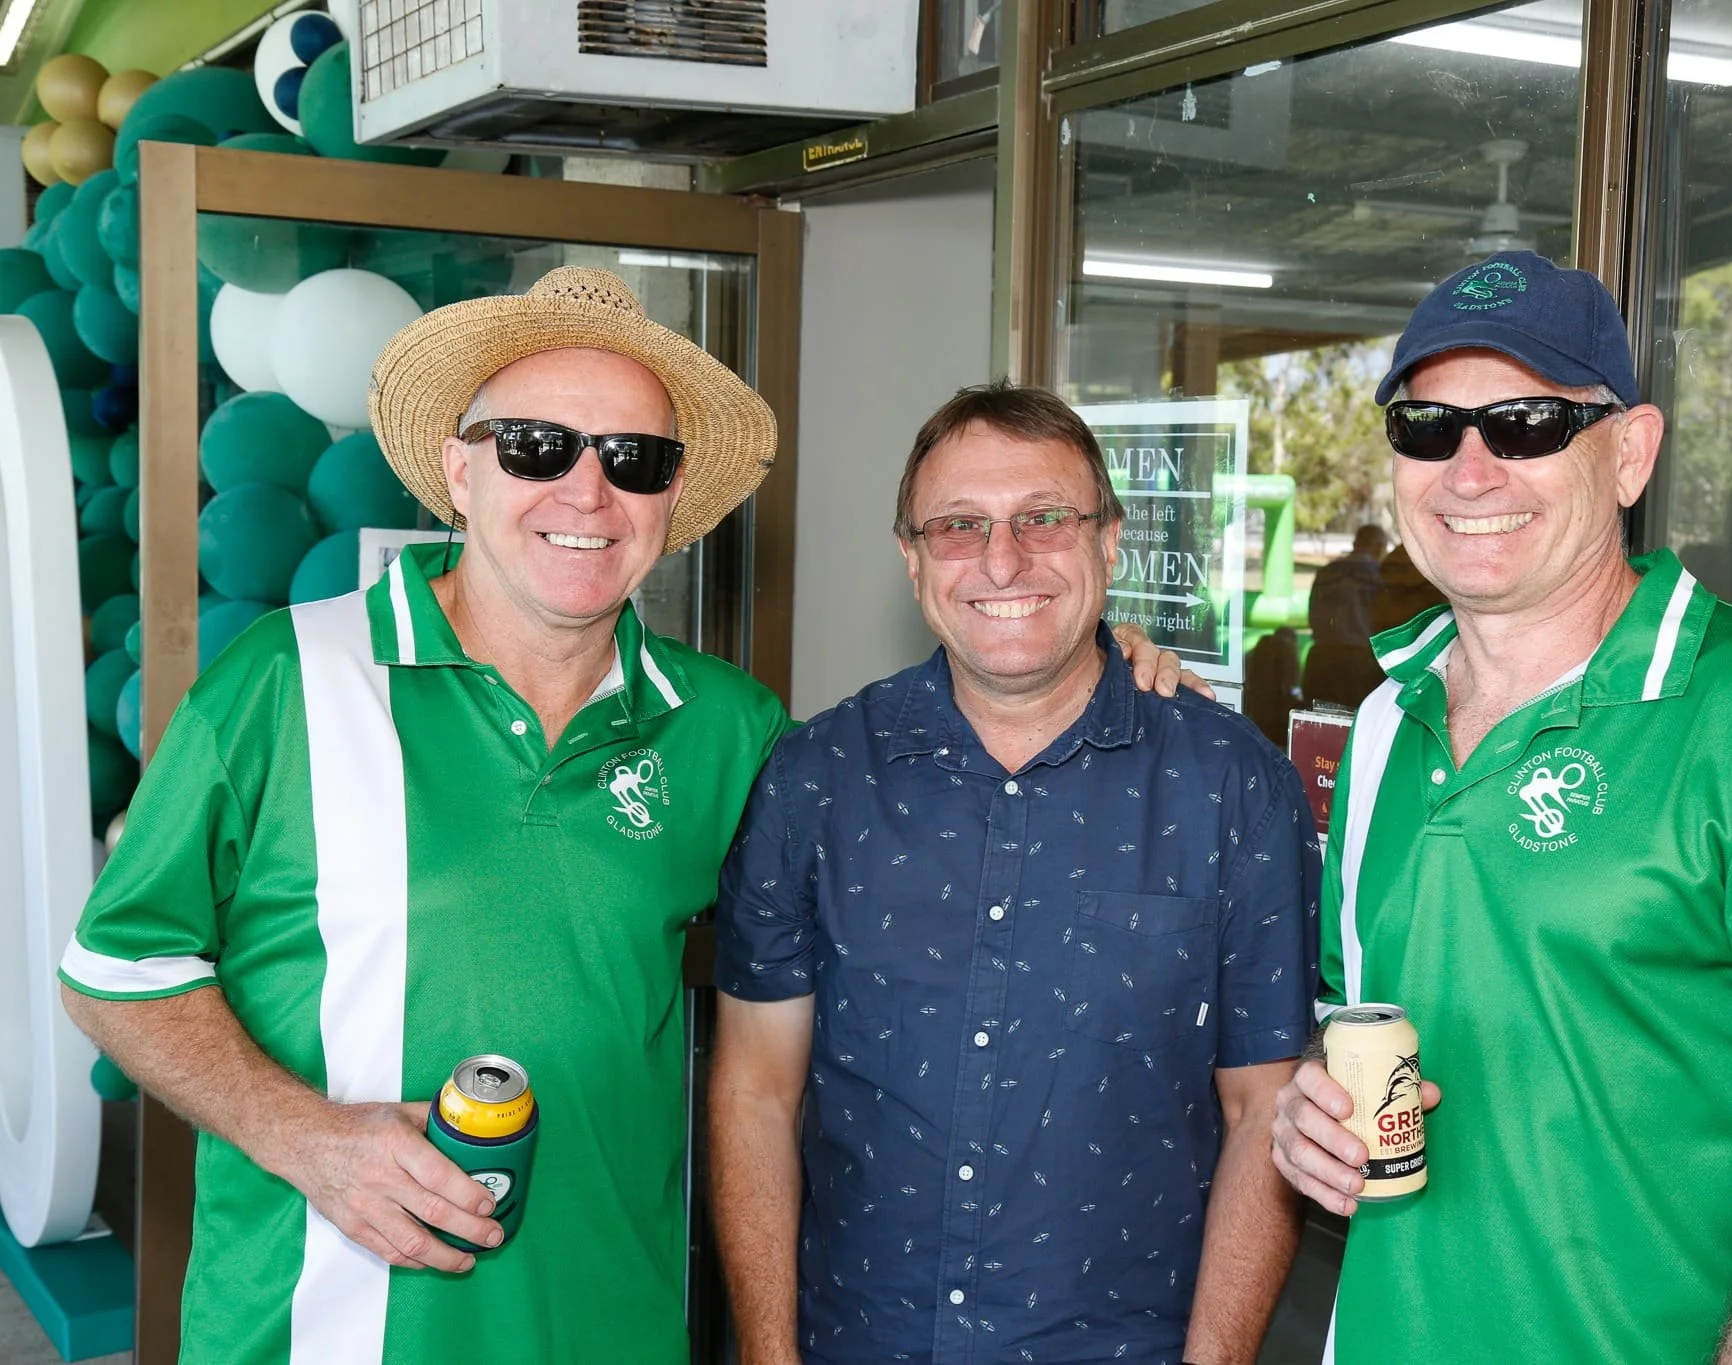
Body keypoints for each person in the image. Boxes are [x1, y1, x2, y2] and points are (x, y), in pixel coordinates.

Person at [56, 268, 796, 1363]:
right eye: (536, 446)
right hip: (316, 1330)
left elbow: (862, 903)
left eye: (632, 460)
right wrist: (303, 1136)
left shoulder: (729, 727)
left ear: (670, 505)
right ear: (459, 469)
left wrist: (1089, 678)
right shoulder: (287, 678)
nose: (586, 493)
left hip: (609, 1324)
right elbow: (116, 968)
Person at [1268, 251, 1732, 1364]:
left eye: (1528, 424)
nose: (1469, 468)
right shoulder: (1386, 722)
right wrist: (1310, 1110)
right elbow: (1370, 1018)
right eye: (1426, 427)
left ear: (1628, 453)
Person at [711, 381, 1319, 1365]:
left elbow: (1265, 1115)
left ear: (1108, 540)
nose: (1002, 561)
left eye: (1043, 519)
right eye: (958, 526)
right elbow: (753, 1094)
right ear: (910, 559)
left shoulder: (1229, 786)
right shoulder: (814, 778)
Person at [1300, 525, 1386, 708]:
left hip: (1322, 655)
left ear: (1356, 543)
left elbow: (1313, 614)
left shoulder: (1327, 573)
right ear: (1379, 547)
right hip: (1360, 659)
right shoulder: (1380, 576)